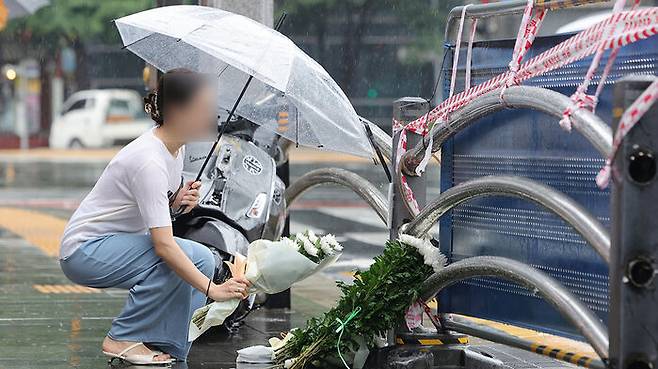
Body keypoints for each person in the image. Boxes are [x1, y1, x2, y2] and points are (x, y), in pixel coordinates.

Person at [59, 69, 250, 364]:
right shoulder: (148, 161)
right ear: (177, 111)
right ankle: (122, 336)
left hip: (115, 243)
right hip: (85, 250)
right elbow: (163, 246)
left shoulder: (176, 148)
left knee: (198, 257)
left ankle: (168, 345)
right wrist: (213, 289)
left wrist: (176, 202)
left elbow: (151, 209)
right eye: (204, 109)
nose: (212, 116)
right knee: (190, 258)